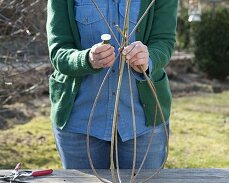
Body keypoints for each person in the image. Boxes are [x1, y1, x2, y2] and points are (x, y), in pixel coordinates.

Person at [46, 0, 178, 169]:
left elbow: (163, 41)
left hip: (141, 122)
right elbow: (58, 50)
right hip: (80, 121)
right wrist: (86, 60)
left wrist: (148, 59)